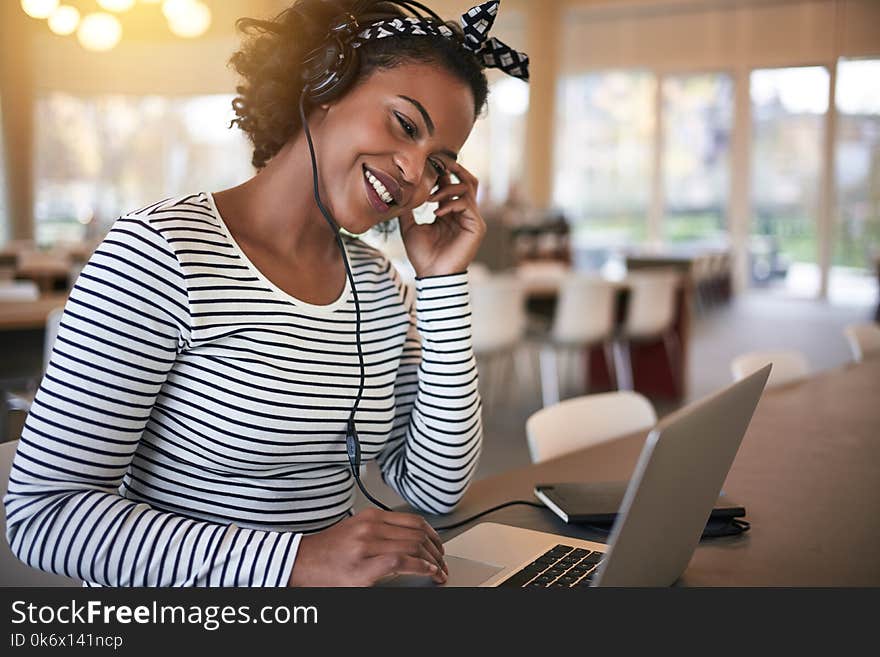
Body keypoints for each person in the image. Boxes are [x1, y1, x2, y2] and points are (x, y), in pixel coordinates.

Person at [3, 0, 529, 587]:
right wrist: (298, 560)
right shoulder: (158, 251)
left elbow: (436, 487)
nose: (412, 171)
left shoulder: (381, 285)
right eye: (405, 125)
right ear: (324, 84)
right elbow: (42, 515)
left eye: (438, 163)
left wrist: (441, 284)